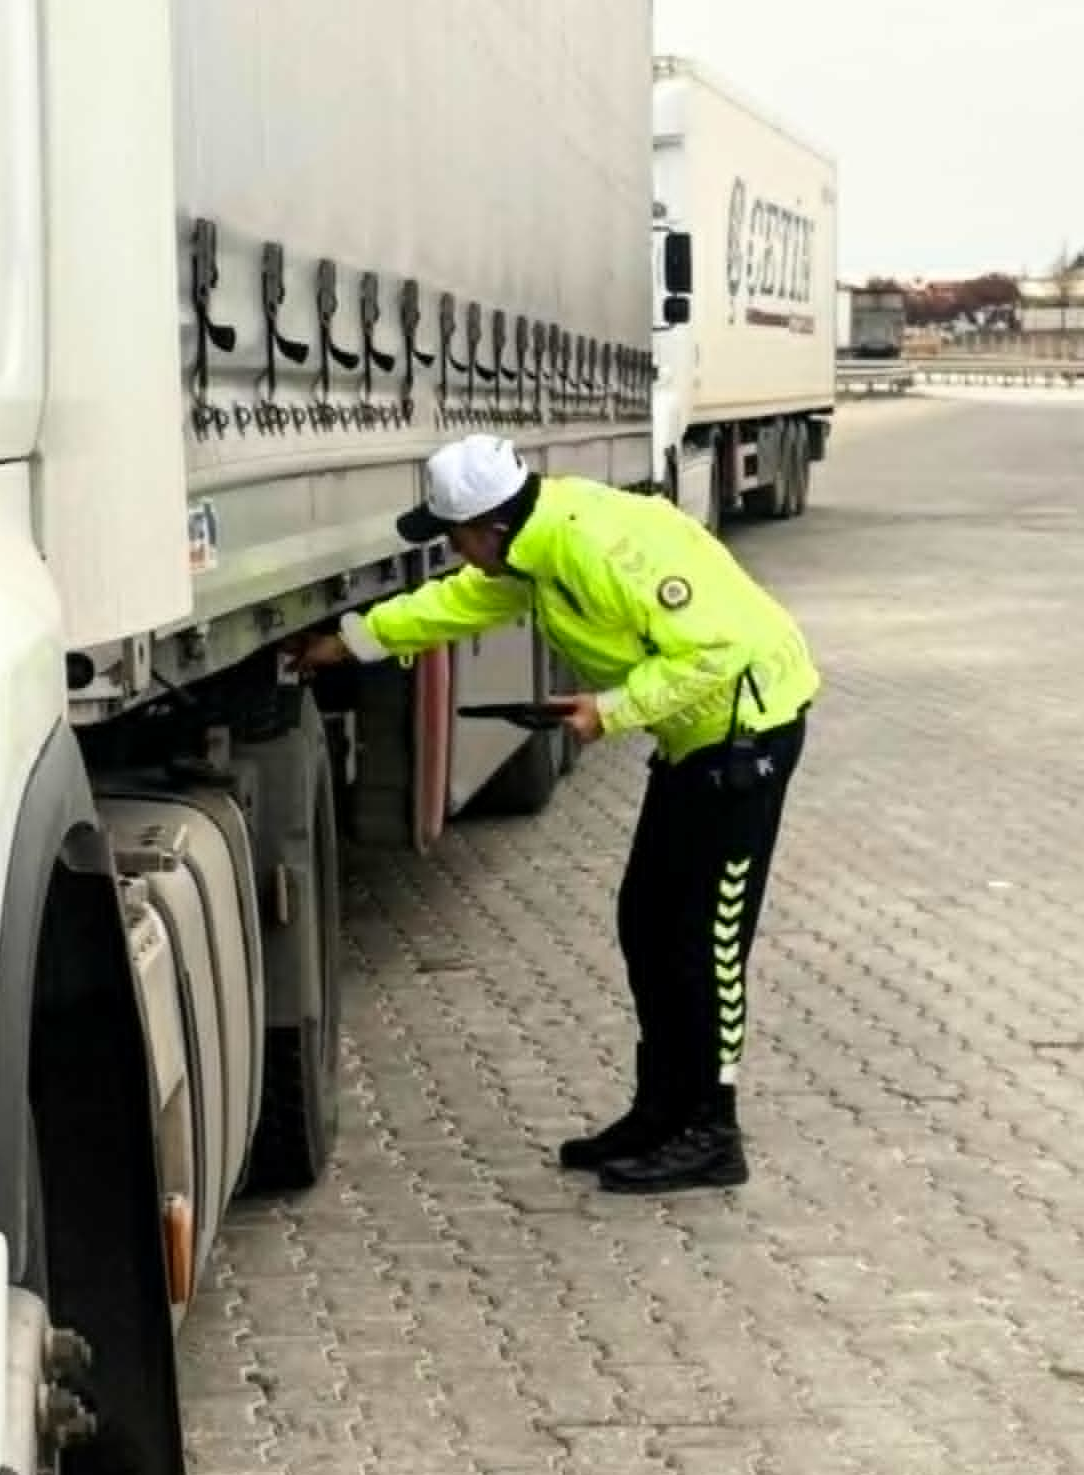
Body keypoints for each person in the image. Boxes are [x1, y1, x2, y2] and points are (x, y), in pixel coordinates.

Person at [293, 435, 819, 1193]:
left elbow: (720, 651)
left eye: (455, 537)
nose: (454, 552)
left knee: (704, 943)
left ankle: (711, 1131)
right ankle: (661, 1111)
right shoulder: (535, 547)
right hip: (694, 740)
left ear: (492, 527)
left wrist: (608, 711)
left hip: (743, 737)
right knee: (647, 923)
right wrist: (348, 643)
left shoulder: (596, 546)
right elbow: (461, 601)